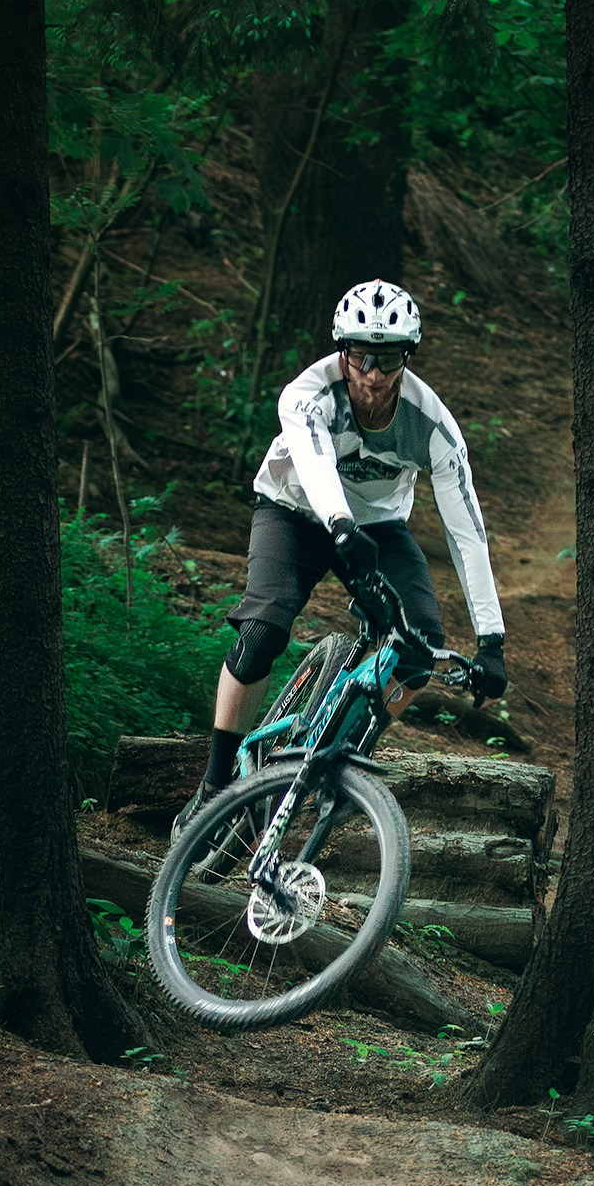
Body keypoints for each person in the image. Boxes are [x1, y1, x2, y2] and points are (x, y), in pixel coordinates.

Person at [177, 278, 509, 832]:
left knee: (420, 647)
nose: (374, 374)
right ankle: (214, 783)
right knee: (264, 627)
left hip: (377, 525)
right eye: (360, 356)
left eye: (389, 358)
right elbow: (312, 464)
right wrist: (339, 528)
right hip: (294, 510)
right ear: (342, 352)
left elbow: (466, 533)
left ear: (408, 357)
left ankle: (346, 753)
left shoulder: (434, 426)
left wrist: (492, 640)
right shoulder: (306, 394)